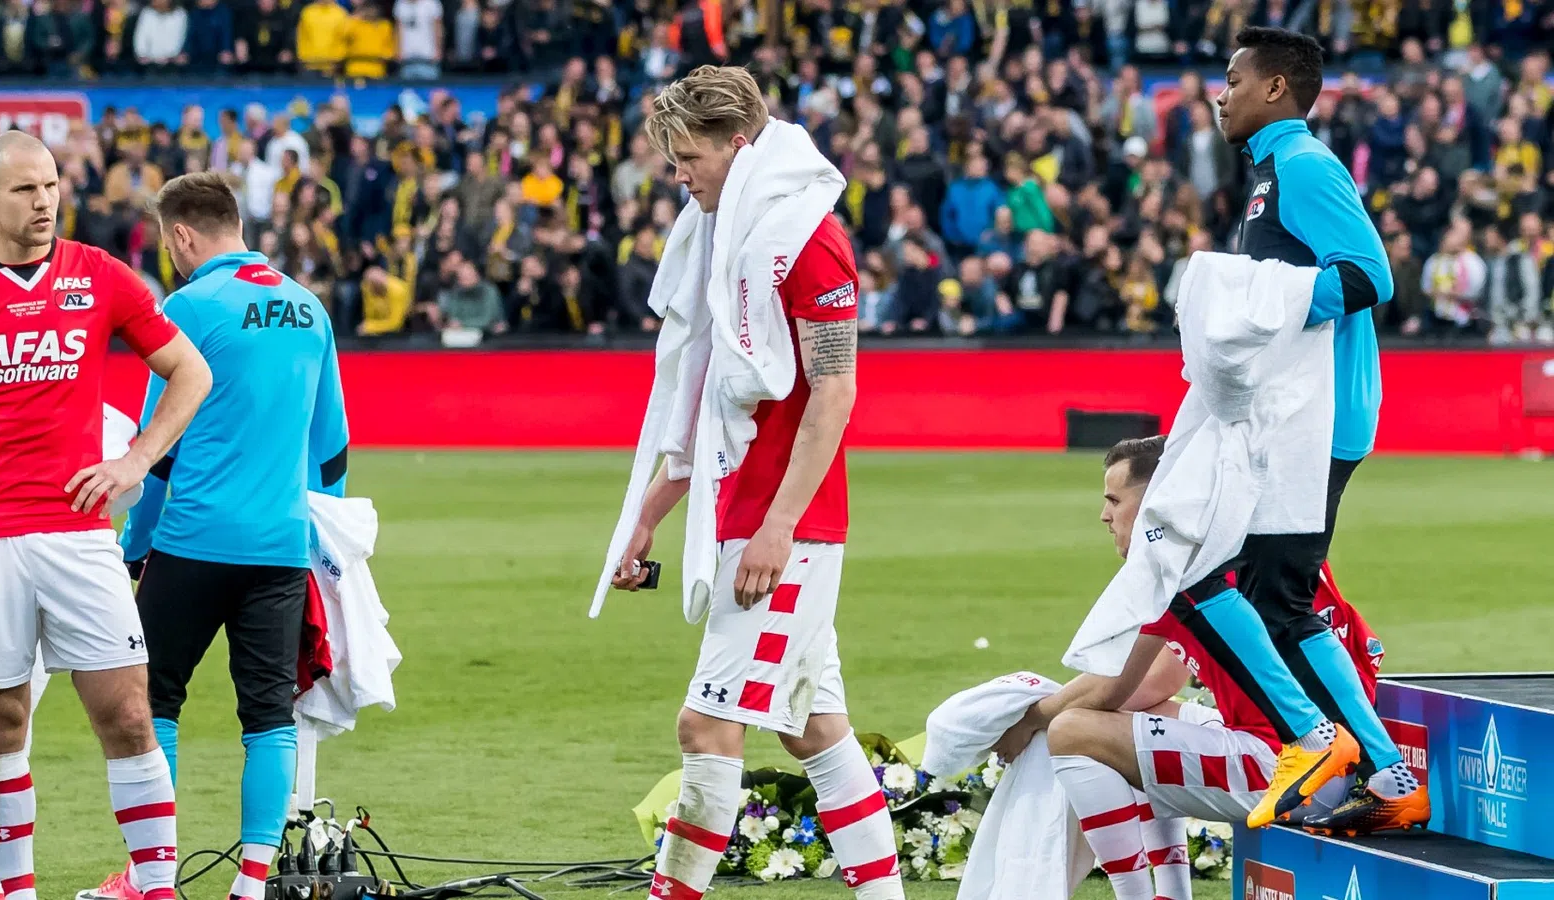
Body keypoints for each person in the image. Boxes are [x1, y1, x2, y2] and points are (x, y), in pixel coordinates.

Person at [0, 130, 213, 900]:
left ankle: (158, 887)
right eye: (27, 190)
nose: (45, 202)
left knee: (128, 712)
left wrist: (135, 460)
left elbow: (190, 371)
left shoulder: (100, 277)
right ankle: (14, 890)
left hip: (78, 537)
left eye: (53, 186)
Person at [609, 66, 904, 900]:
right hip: (754, 517)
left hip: (787, 533)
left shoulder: (808, 241)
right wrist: (647, 518)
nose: (679, 176)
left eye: (687, 157)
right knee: (817, 731)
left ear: (738, 146)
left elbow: (836, 389)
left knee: (705, 723)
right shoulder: (732, 240)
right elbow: (708, 404)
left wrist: (778, 529)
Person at [96, 172, 349, 900]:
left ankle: (154, 877)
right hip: (278, 546)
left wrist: (135, 545)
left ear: (180, 236)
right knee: (268, 712)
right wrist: (318, 539)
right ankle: (253, 882)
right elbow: (330, 447)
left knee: (151, 704)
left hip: (193, 540)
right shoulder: (309, 309)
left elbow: (159, 445)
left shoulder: (189, 307)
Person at [992, 436, 1386, 900]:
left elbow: (1118, 689)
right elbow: (1153, 687)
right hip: (1344, 766)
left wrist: (1032, 719)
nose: (1105, 516)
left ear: (1158, 497)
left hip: (1298, 770)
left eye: (1114, 500)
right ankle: (1173, 892)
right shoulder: (1252, 541)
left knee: (1075, 731)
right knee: (1140, 721)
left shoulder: (1189, 560)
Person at [1204, 26, 1426, 833]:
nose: (1218, 92)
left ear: (1274, 89)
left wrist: (1264, 311)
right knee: (1264, 591)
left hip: (1318, 415)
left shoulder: (1302, 167)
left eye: (1231, 77)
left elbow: (1370, 275)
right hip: (1295, 414)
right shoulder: (1274, 172)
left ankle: (1346, 753)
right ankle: (1370, 766)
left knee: (1258, 590)